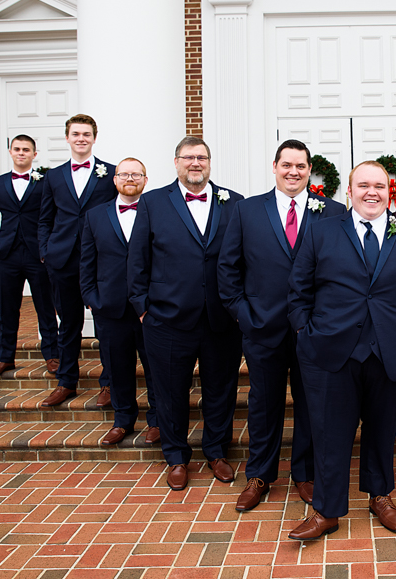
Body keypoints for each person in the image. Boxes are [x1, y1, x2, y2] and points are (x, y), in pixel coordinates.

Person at [286, 161, 396, 540]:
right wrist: (306, 333)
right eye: (363, 185)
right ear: (350, 192)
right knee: (330, 434)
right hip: (331, 351)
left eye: (379, 185)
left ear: (390, 191)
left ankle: (380, 496)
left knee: (382, 430)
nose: (371, 192)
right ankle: (326, 510)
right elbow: (298, 290)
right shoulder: (320, 231)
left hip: (393, 350)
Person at [218, 140, 345, 512]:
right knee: (263, 402)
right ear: (274, 166)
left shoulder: (333, 211)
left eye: (301, 166)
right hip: (262, 326)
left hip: (314, 331)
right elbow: (228, 269)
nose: (294, 172)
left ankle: (304, 473)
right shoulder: (245, 211)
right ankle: (259, 475)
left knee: (311, 404)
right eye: (287, 164)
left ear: (310, 170)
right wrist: (243, 313)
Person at [128, 136, 243, 491]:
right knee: (170, 391)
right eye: (189, 157)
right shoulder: (152, 203)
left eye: (202, 157)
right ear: (176, 162)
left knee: (220, 389)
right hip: (167, 319)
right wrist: (143, 308)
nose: (196, 163)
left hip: (221, 319)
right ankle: (176, 455)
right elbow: (137, 259)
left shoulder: (234, 203)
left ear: (210, 162)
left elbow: (243, 259)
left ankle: (216, 451)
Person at [38, 114, 117, 408]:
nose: (81, 138)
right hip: (62, 259)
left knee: (104, 324)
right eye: (76, 134)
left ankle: (108, 383)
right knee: (68, 323)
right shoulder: (54, 176)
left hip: (100, 260)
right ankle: (66, 381)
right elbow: (45, 218)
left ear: (94, 138)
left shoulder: (110, 173)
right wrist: (45, 251)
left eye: (86, 134)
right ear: (68, 138)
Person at [80, 157, 160, 446]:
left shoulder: (157, 212)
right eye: (124, 174)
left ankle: (157, 421)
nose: (130, 178)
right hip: (109, 307)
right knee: (118, 367)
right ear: (114, 180)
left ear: (145, 181)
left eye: (137, 174)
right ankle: (123, 420)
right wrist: (90, 297)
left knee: (154, 367)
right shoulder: (95, 216)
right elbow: (87, 260)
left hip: (150, 308)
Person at [0, 135, 60, 378]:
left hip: (37, 255)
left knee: (46, 307)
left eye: (26, 150)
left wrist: (47, 248)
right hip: (5, 254)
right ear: (10, 152)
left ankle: (52, 355)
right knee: (6, 308)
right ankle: (5, 357)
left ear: (34, 154)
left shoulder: (45, 181)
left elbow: (53, 216)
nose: (21, 153)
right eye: (17, 149)